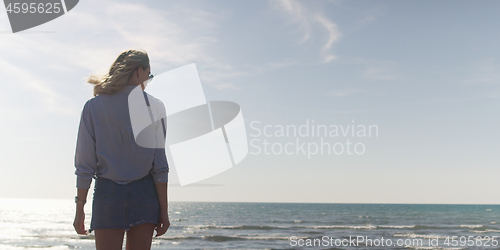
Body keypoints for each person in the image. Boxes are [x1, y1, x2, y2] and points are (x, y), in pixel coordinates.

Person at [72, 49, 170, 250]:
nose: (147, 81)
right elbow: (159, 166)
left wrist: (80, 208)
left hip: (108, 194)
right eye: (148, 75)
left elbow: (85, 164)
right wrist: (164, 210)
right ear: (138, 71)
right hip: (145, 193)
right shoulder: (155, 107)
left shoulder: (93, 107)